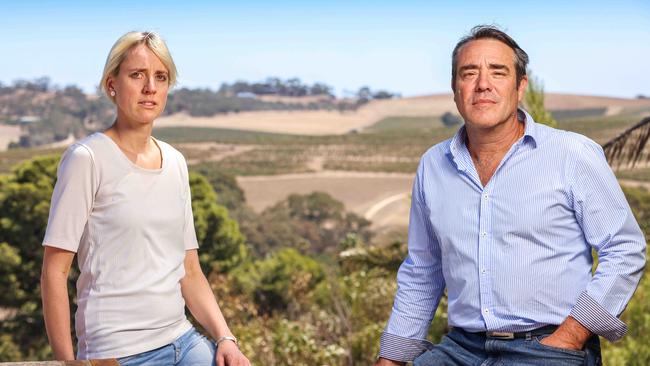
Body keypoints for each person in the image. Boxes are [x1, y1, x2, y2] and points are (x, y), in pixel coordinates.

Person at [375, 25, 646, 366]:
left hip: (547, 348)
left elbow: (624, 250)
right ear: (455, 89)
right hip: (460, 349)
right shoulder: (433, 165)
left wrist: (571, 336)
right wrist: (392, 358)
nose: (482, 84)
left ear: (520, 87)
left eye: (498, 72)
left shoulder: (571, 154)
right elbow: (423, 270)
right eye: (469, 72)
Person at [40, 31, 251, 366]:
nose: (150, 87)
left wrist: (225, 338)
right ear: (112, 85)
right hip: (117, 353)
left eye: (160, 77)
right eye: (137, 75)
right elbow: (54, 270)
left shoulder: (176, 163)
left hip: (183, 340)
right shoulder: (86, 159)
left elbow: (190, 271)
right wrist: (68, 363)